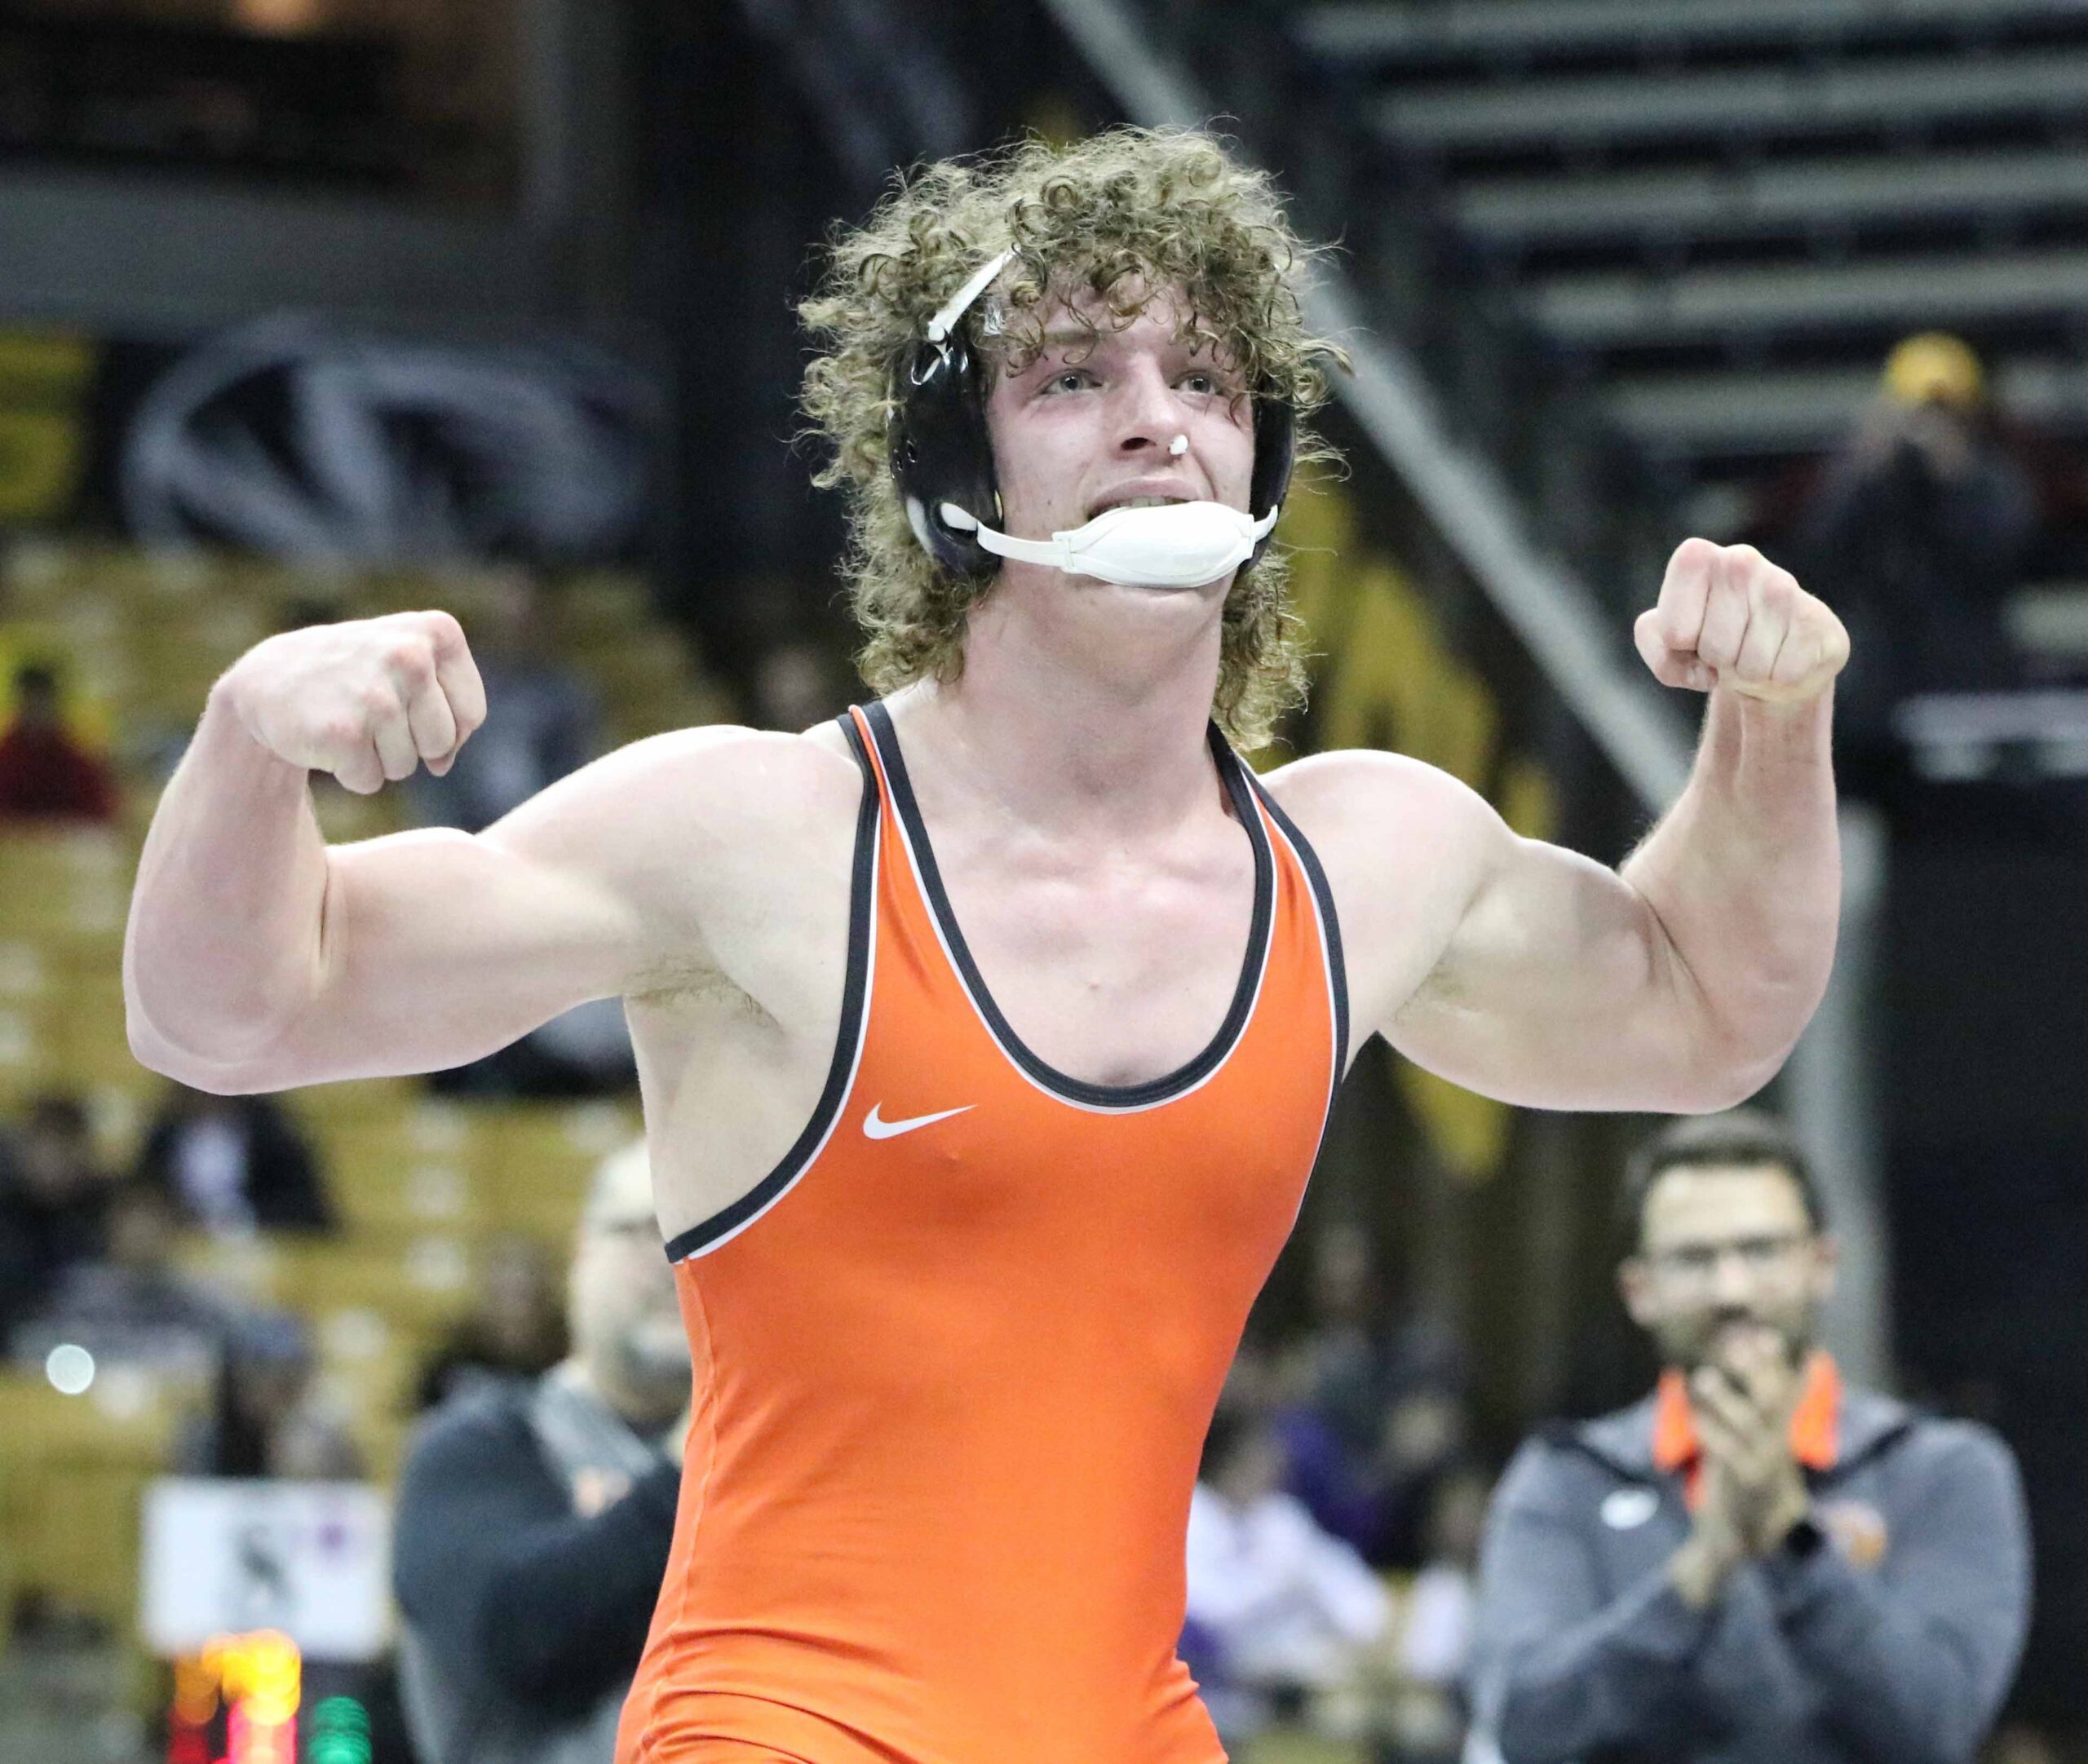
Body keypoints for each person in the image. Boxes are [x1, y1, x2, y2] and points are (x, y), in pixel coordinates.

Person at [122, 127, 1849, 1764]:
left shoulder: (1366, 859)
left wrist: (1773, 725)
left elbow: (1704, 1013)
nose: (1156, 424)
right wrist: (249, 738)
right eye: (1074, 378)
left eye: (1206, 380)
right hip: (788, 1724)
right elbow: (231, 1014)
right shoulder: (756, 838)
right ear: (953, 465)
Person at [1466, 1109, 2031, 1764]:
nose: (1730, 1290)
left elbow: (1936, 1726)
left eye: (1760, 1250)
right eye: (1693, 1258)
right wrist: (1699, 1573)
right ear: (1639, 1290)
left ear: (1822, 1264)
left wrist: (1791, 1537)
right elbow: (1527, 1727)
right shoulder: (1566, 1479)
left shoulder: (1943, 1471)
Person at [392, 1139, 688, 1764]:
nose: (677, 1260)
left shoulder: (791, 1466)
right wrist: (700, 1459)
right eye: (648, 1229)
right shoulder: (477, 1447)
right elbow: (517, 1643)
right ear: (584, 1252)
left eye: (706, 1237)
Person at [1184, 1404, 1394, 1749]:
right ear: (1228, 1461)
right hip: (1219, 1680)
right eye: (1261, 1454)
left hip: (1297, 1673)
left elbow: (1343, 1581)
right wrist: (1285, 1585)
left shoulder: (1282, 1516)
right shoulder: (1192, 1516)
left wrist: (1366, 1629)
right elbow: (1210, 1610)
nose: (1275, 1464)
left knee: (1374, 1713)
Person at [133, 1081, 334, 1236]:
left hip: (261, 1237)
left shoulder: (271, 1133)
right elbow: (143, 1189)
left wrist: (243, 1218)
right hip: (181, 1238)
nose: (207, 1095)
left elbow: (302, 1203)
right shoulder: (165, 1134)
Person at [0, 1093, 115, 1336]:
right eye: (43, 1147)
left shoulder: (109, 1209)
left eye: (63, 1148)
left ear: (83, 1152)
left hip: (92, 1332)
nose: (51, 1162)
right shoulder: (7, 1211)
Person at [0, 660, 118, 825]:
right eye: (31, 705)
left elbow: (101, 813)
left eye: (42, 704)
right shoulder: (6, 760)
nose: (36, 714)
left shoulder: (74, 762)